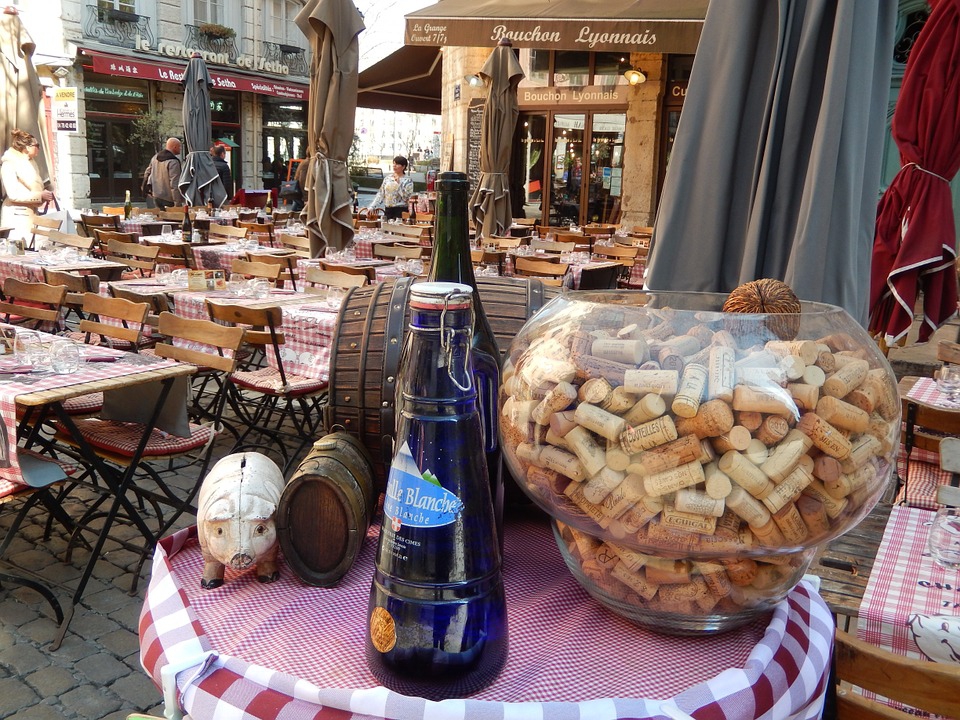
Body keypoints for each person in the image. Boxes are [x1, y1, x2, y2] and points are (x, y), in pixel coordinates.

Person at [0, 129, 55, 241]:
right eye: (37, 145)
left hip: (31, 214)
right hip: (16, 216)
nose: (38, 149)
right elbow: (13, 194)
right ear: (27, 147)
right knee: (20, 251)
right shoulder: (9, 164)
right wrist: (40, 196)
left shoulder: (31, 163)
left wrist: (43, 196)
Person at [366, 155, 413, 221]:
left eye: (397, 164)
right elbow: (381, 193)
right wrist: (372, 206)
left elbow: (407, 197)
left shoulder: (407, 180)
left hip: (400, 210)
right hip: (388, 209)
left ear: (403, 166)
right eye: (394, 163)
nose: (394, 165)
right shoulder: (388, 178)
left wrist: (399, 184)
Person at [141, 137, 183, 210]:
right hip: (169, 198)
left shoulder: (155, 157)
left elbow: (147, 173)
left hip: (156, 195)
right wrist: (178, 204)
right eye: (179, 146)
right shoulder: (173, 161)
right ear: (174, 147)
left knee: (160, 218)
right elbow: (174, 183)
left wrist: (146, 190)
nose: (181, 149)